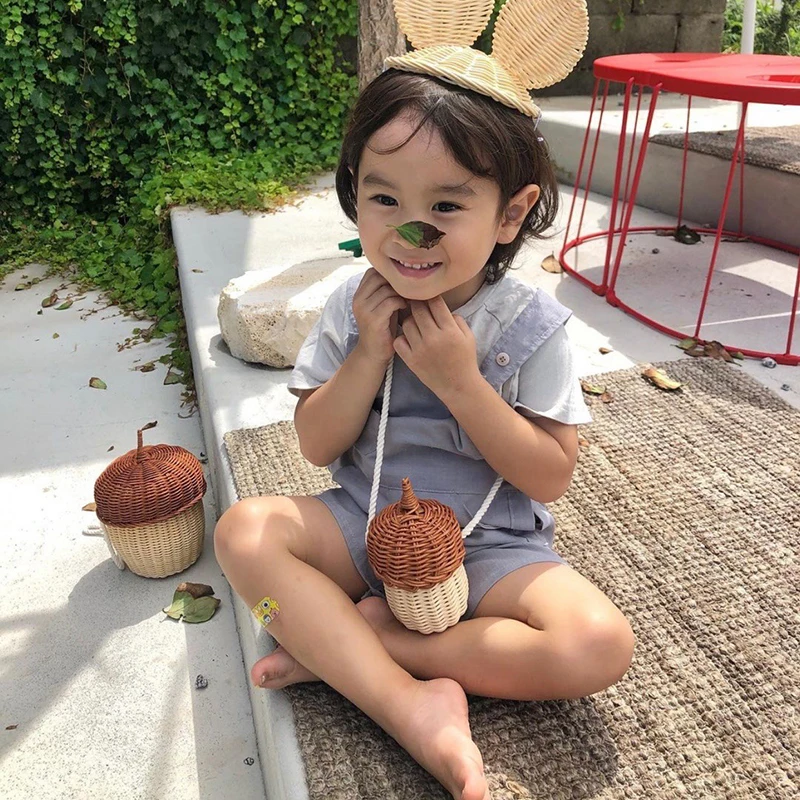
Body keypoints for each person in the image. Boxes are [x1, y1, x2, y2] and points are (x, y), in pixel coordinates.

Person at [214, 2, 635, 798]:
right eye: (385, 201)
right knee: (244, 531)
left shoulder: (532, 326)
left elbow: (548, 477)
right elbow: (315, 444)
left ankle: (355, 648)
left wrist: (460, 383)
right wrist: (369, 353)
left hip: (489, 551)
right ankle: (409, 704)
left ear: (510, 213)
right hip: (364, 527)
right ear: (354, 195)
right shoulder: (351, 307)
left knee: (596, 645)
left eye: (446, 207)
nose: (411, 232)